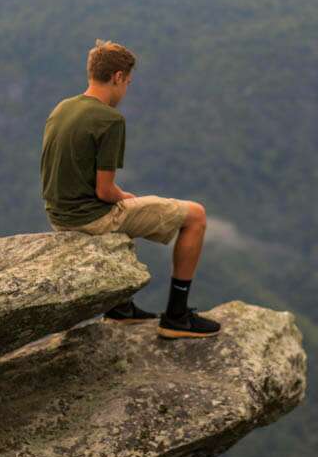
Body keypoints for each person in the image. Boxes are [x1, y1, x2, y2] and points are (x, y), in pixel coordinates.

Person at [40, 38, 220, 339]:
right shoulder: (110, 120)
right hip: (90, 220)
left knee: (131, 211)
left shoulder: (63, 107)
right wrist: (124, 197)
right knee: (196, 216)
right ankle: (176, 316)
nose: (126, 90)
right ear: (118, 77)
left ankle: (121, 309)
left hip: (58, 216)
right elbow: (104, 191)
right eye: (128, 82)